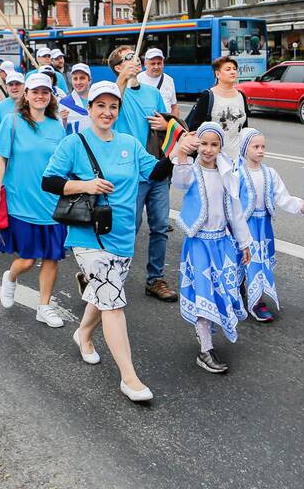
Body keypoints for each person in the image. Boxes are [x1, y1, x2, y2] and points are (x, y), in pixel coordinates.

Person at [42, 81, 181, 402]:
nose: (107, 112)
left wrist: (176, 153)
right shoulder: (74, 143)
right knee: (114, 303)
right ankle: (129, 378)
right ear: (89, 109)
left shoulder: (130, 144)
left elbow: (157, 172)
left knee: (104, 293)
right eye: (100, 106)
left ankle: (83, 333)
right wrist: (86, 185)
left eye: (113, 106)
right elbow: (49, 181)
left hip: (121, 235)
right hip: (87, 235)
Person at [172, 122, 253, 374]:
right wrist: (182, 153)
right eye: (204, 144)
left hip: (222, 244)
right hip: (199, 245)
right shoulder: (192, 171)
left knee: (223, 292)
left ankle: (206, 333)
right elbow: (180, 181)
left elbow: (236, 212)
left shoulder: (227, 173)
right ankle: (205, 349)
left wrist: (244, 242)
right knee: (203, 294)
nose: (208, 149)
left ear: (220, 146)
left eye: (214, 144)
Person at [0, 73, 68, 328]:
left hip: (52, 202)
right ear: (26, 94)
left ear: (50, 96)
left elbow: (63, 161)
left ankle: (44, 306)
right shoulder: (11, 122)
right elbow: (0, 158)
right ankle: (10, 277)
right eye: (35, 91)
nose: (40, 96)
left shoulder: (57, 125)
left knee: (52, 257)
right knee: (27, 259)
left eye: (45, 92)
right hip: (21, 202)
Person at [107, 45, 177, 301]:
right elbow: (110, 111)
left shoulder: (152, 92)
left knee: (159, 227)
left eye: (134, 56)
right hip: (130, 174)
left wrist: (165, 123)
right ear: (118, 67)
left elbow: (167, 124)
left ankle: (155, 279)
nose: (134, 60)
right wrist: (122, 79)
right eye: (127, 58)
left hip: (156, 170)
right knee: (128, 228)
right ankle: (111, 276)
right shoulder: (115, 92)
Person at [234, 128, 304, 322]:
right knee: (241, 262)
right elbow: (230, 201)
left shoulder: (270, 173)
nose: (260, 150)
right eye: (255, 147)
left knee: (259, 264)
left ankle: (257, 301)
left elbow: (283, 197)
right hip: (244, 226)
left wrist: (302, 206)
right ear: (244, 148)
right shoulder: (237, 174)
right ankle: (234, 295)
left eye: (263, 147)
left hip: (263, 227)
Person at [185, 56, 250, 160]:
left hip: (237, 158)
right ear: (217, 74)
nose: (233, 72)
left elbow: (245, 128)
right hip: (212, 158)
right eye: (228, 69)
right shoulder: (208, 95)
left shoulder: (241, 96)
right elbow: (195, 127)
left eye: (234, 69)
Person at [0, 71, 25, 159]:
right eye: (10, 84)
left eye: (17, 84)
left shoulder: (32, 105)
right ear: (6, 87)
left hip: (26, 156)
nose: (14, 87)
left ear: (24, 86)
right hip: (4, 157)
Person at [136, 47, 179, 118]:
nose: (156, 67)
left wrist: (171, 124)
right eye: (153, 64)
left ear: (163, 64)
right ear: (145, 64)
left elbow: (174, 106)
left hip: (165, 124)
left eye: (159, 63)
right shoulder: (137, 79)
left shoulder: (169, 80)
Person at [61, 63, 92, 134]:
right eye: (75, 79)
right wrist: (63, 121)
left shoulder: (98, 100)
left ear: (90, 80)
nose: (78, 82)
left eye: (82, 78)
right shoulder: (64, 104)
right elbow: (60, 131)